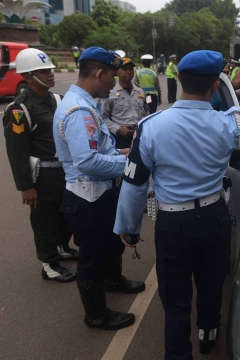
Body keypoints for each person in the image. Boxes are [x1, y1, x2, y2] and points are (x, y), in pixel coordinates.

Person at [114, 49, 240, 359]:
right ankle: (208, 332)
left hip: (172, 226)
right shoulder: (230, 125)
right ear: (214, 86)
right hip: (214, 218)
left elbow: (134, 184)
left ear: (179, 79)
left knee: (175, 299)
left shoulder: (152, 126)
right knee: (211, 284)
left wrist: (128, 227)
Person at [53, 47, 145, 331]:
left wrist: (122, 155)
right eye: (111, 76)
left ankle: (113, 281)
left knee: (110, 245)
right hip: (86, 197)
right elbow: (87, 161)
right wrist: (130, 165)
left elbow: (99, 149)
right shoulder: (79, 110)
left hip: (98, 194)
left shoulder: (85, 103)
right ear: (98, 73)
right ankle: (96, 315)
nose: (113, 83)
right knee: (92, 259)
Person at [2, 48, 78, 283]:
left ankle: (62, 247)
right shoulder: (19, 109)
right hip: (41, 174)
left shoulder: (55, 100)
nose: (50, 74)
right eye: (43, 72)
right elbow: (17, 152)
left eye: (50, 70)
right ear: (27, 77)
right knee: (44, 219)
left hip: (62, 170)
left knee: (64, 214)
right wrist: (26, 186)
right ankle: (49, 264)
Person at [103, 57, 150, 149]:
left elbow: (147, 112)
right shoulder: (109, 92)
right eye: (124, 69)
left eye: (130, 69)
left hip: (140, 136)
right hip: (119, 138)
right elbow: (102, 117)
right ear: (117, 71)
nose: (128, 72)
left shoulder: (140, 91)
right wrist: (118, 129)